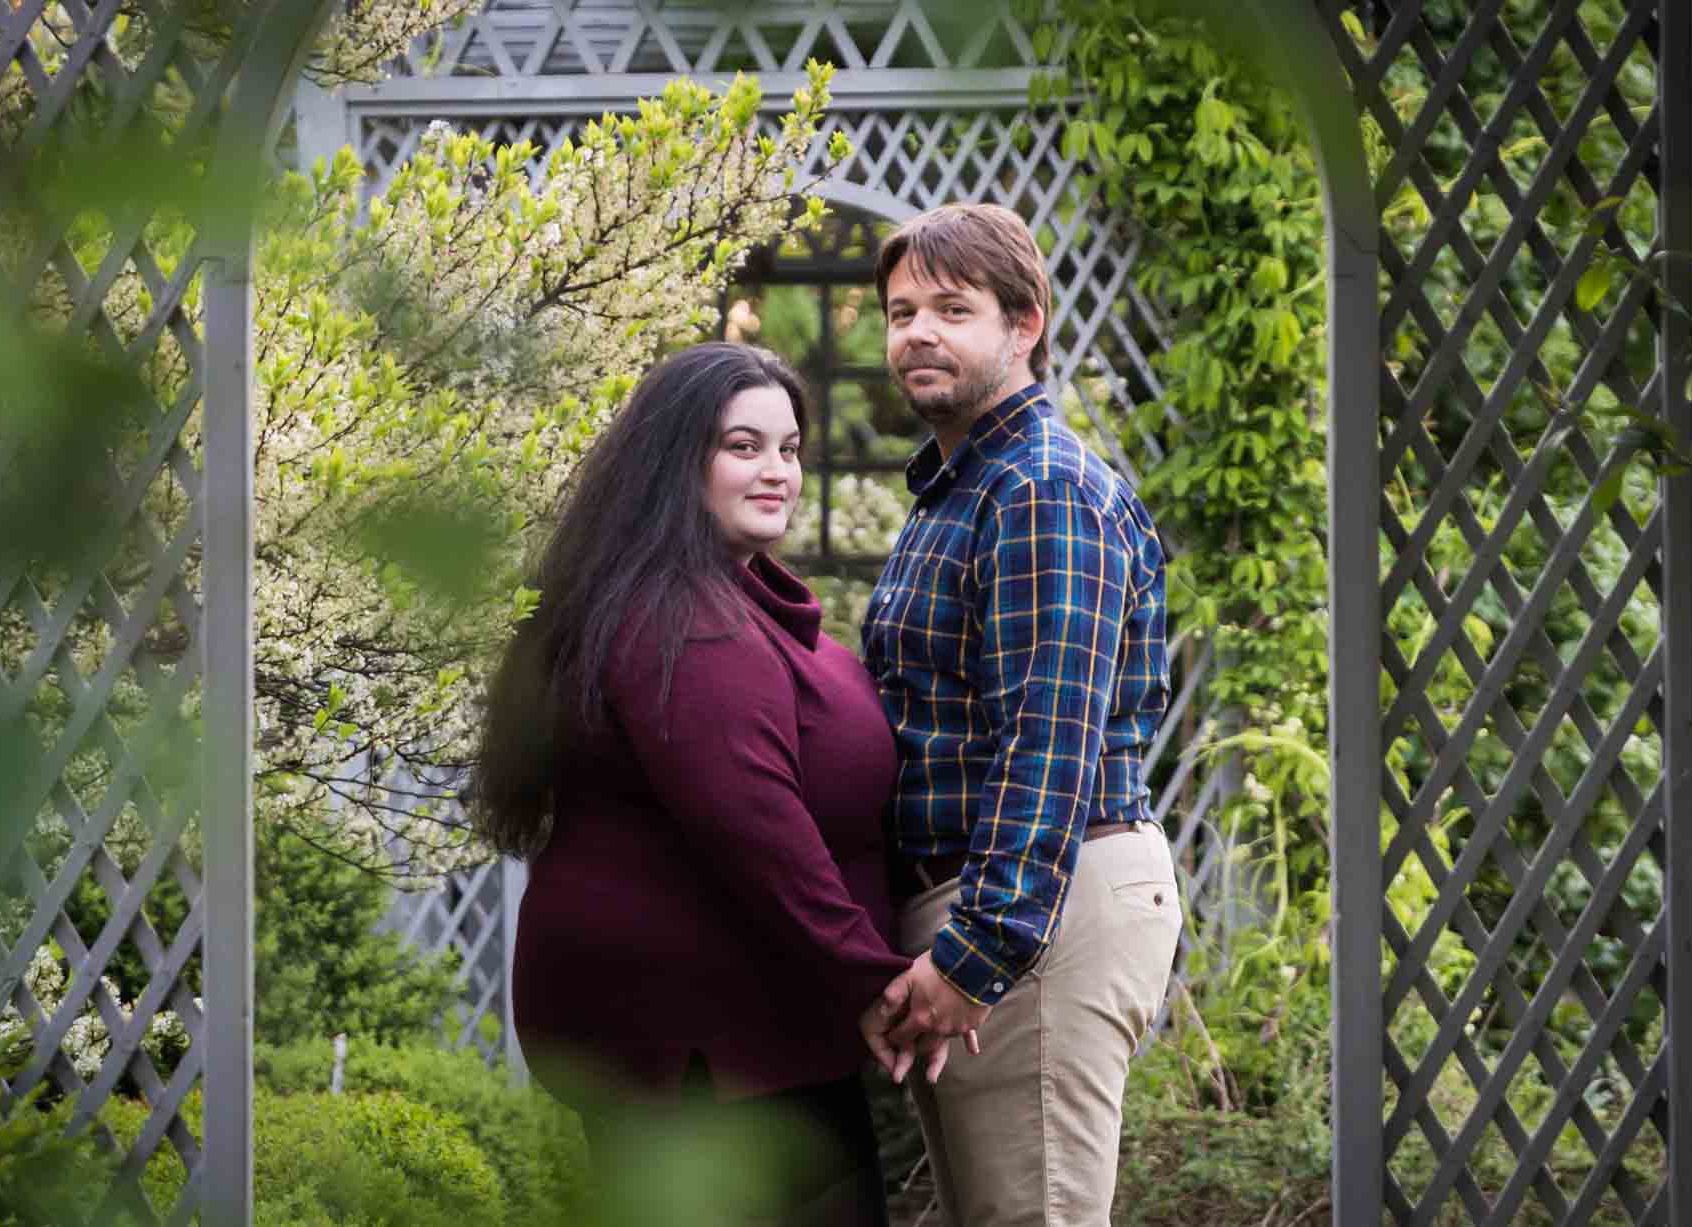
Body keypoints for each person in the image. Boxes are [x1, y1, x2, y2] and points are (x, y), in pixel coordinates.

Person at [471, 342, 951, 1227]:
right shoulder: (681, 618)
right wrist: (878, 981)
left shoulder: (723, 599)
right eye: (743, 446)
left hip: (745, 1042)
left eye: (790, 448)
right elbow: (754, 823)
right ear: (676, 460)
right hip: (708, 1056)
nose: (777, 471)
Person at [856, 203, 1184, 1227]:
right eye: (901, 310)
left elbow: (1046, 742)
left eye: (951, 309)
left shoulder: (1038, 490)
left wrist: (975, 952)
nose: (917, 332)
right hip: (992, 906)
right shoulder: (959, 490)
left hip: (1034, 913)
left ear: (1023, 324)